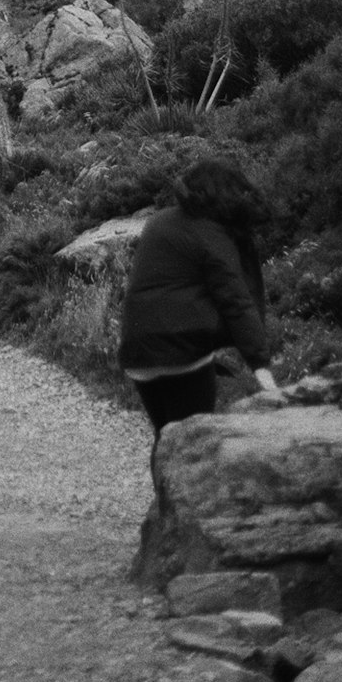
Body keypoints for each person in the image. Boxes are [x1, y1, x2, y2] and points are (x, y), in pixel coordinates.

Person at [118, 155, 280, 469]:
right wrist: (261, 367)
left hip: (137, 352)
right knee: (192, 445)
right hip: (182, 355)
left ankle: (164, 510)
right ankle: (184, 513)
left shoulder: (159, 220)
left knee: (166, 437)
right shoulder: (211, 235)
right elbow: (236, 301)